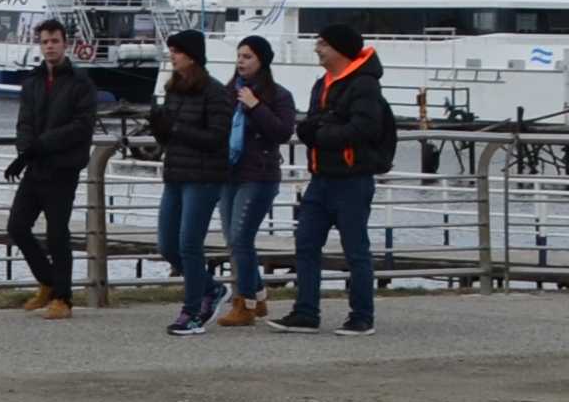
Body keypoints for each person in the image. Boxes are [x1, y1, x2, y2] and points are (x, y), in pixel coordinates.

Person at [283, 17, 398, 333]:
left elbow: (365, 128)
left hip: (352, 179)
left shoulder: (364, 84)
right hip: (320, 178)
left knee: (355, 250)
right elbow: (310, 124)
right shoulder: (322, 83)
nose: (317, 48)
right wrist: (318, 128)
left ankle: (362, 316)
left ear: (340, 49)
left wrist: (323, 133)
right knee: (306, 243)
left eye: (323, 43)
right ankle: (306, 312)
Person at [2, 16, 100, 316]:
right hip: (35, 167)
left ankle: (63, 299)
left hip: (63, 168)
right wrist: (24, 150)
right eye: (45, 42)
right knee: (17, 227)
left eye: (55, 41)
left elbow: (82, 126)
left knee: (57, 233)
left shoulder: (80, 82)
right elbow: (24, 121)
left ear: (64, 44)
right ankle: (48, 282)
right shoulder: (32, 81)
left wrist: (43, 143)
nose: (50, 47)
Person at [146, 28, 231, 334]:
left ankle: (192, 311)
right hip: (176, 174)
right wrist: (158, 125)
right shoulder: (174, 89)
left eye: (178, 51)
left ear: (192, 56)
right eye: (171, 51)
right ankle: (211, 288)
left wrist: (176, 128)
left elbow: (217, 138)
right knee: (167, 245)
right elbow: (168, 137)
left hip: (204, 178)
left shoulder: (215, 92)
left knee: (189, 244)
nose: (173, 56)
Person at [211, 34, 299, 325]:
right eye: (239, 56)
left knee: (241, 239)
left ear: (262, 60)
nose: (241, 61)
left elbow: (282, 132)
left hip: (259, 175)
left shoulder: (279, 95)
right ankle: (258, 296)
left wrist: (255, 106)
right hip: (229, 173)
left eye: (247, 56)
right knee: (233, 240)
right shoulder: (228, 92)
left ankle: (245, 303)